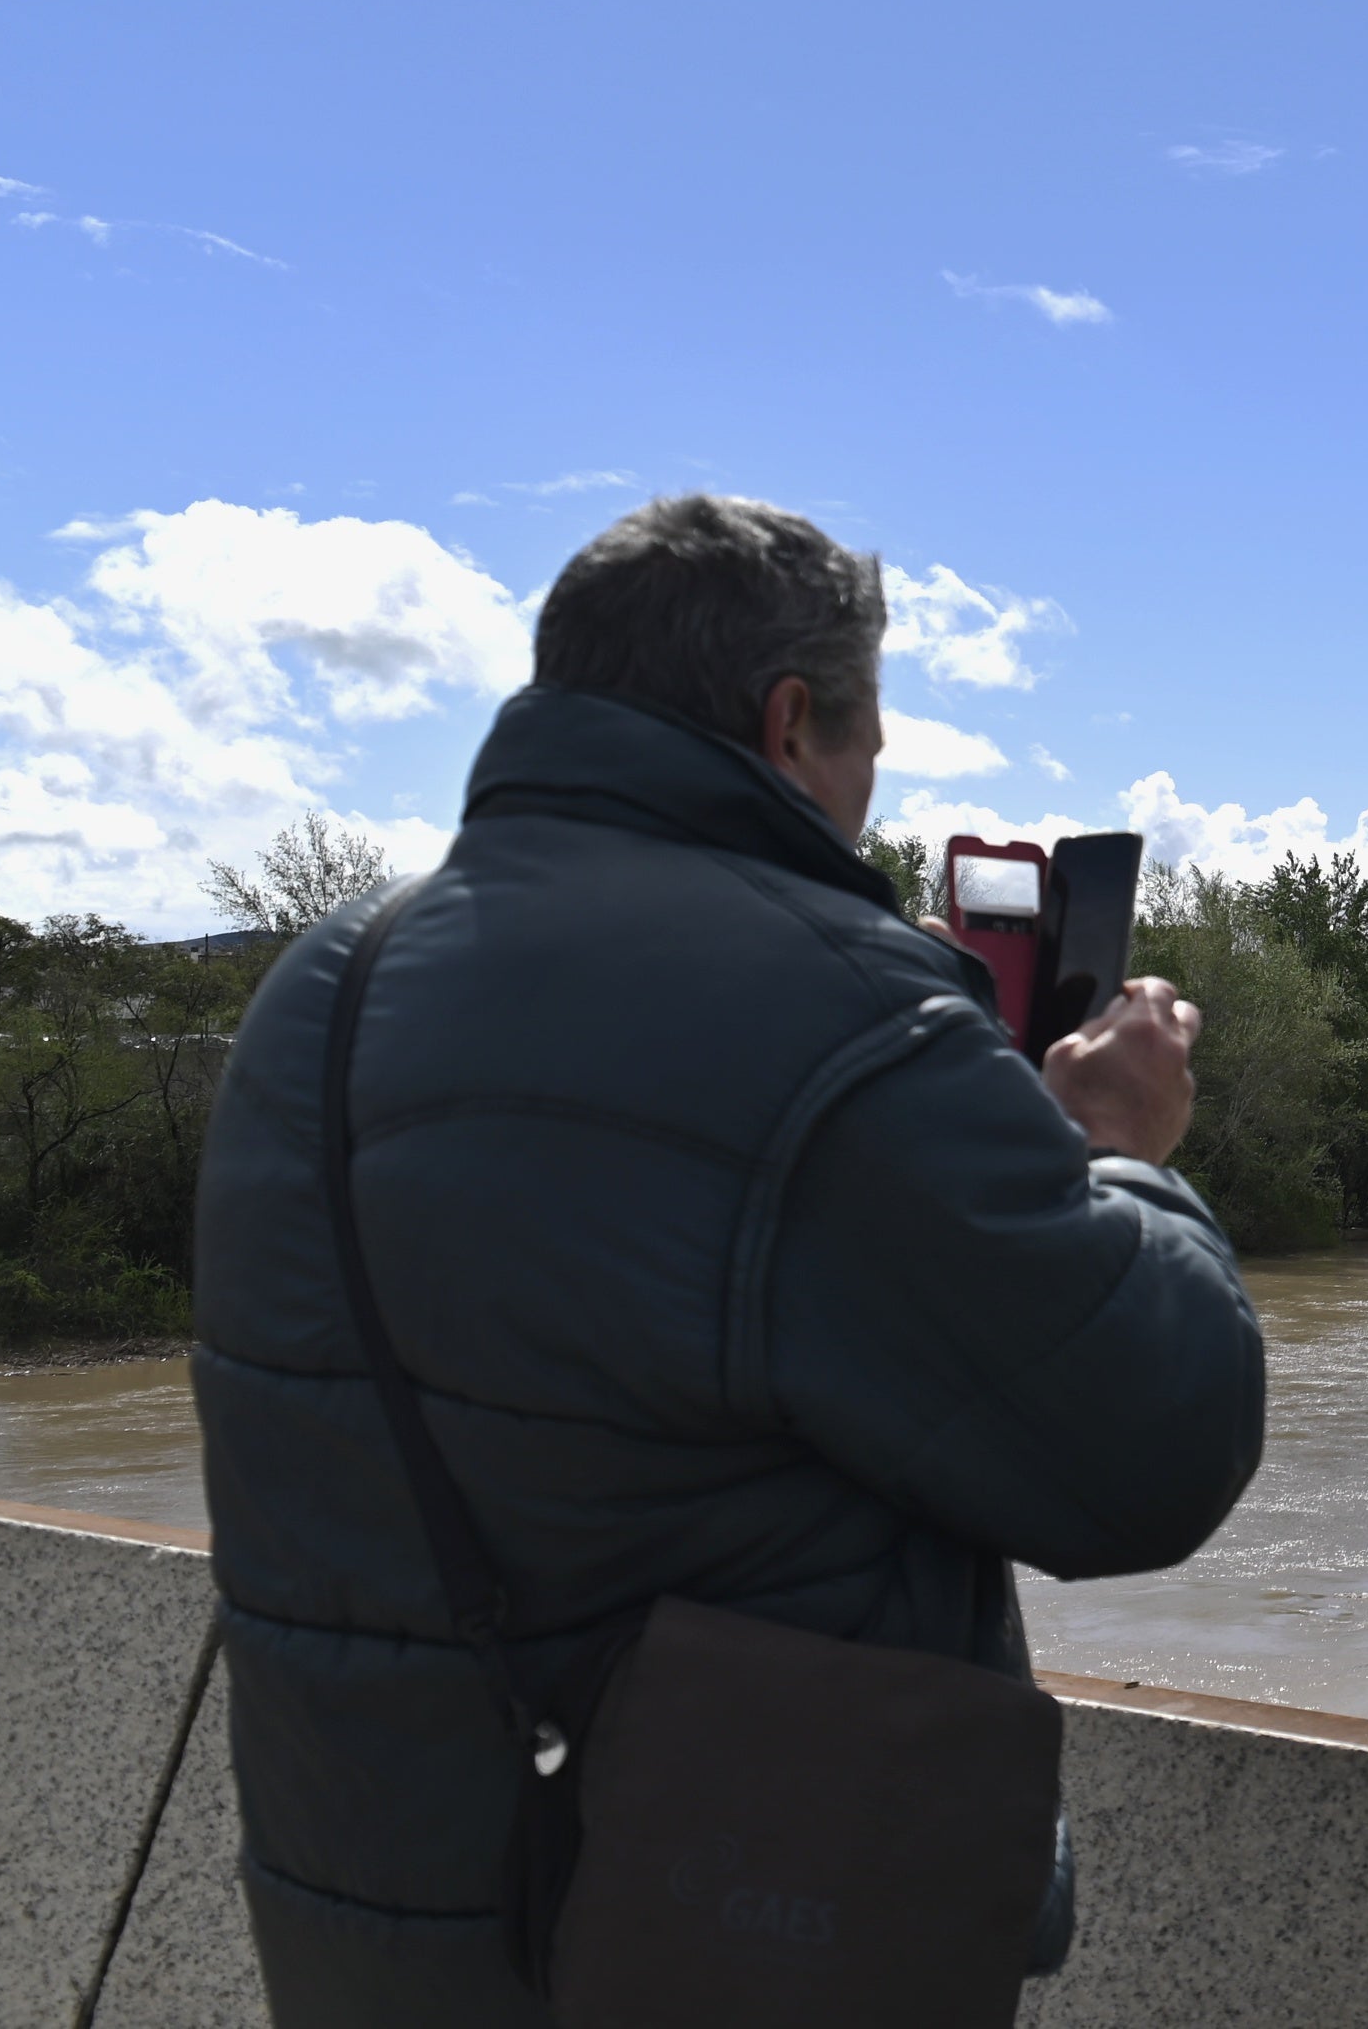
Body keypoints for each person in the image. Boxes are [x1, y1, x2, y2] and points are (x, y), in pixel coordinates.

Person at [193, 494, 1264, 2026]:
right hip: (721, 1937)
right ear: (788, 722)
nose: (864, 793)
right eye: (866, 746)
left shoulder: (329, 982)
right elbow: (1155, 1450)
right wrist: (1113, 1150)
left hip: (375, 1931)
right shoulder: (834, 1006)